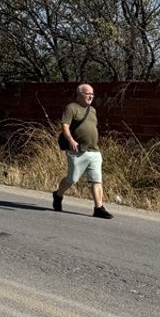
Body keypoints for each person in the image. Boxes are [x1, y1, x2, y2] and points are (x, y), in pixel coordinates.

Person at [52, 83, 113, 219]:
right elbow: (65, 126)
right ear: (79, 95)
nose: (90, 96)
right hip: (77, 151)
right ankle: (58, 194)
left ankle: (98, 208)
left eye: (92, 94)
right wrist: (71, 140)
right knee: (72, 179)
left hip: (94, 151)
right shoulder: (71, 108)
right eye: (87, 93)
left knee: (96, 180)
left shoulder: (93, 110)